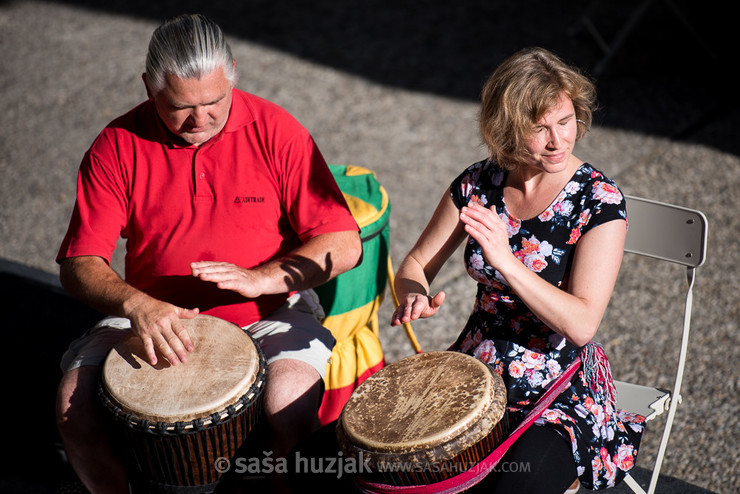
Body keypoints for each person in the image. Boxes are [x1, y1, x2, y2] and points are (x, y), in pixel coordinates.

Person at [54, 13, 362, 494]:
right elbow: (79, 264)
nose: (201, 120)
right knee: (74, 408)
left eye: (215, 101)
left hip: (272, 311)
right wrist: (137, 305)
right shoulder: (116, 146)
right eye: (179, 107)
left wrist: (263, 278)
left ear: (233, 74)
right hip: (154, 313)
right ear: (148, 89)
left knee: (291, 404)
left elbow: (343, 244)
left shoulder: (277, 130)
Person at [390, 47, 645, 493]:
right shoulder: (479, 183)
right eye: (540, 128)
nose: (558, 141)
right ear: (506, 128)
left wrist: (506, 260)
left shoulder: (598, 200)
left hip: (558, 388)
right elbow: (414, 264)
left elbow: (582, 324)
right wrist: (413, 292)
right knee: (388, 464)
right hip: (475, 370)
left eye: (565, 122)